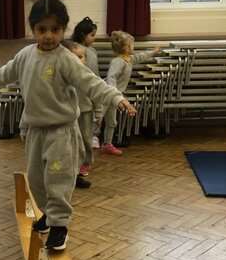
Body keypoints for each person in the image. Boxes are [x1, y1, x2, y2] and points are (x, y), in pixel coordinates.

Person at [0, 0, 136, 251]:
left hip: (61, 132)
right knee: (37, 181)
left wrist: (117, 98)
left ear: (63, 30)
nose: (49, 35)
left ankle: (60, 225)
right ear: (33, 29)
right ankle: (49, 215)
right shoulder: (26, 55)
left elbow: (92, 83)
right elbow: (7, 72)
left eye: (55, 29)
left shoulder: (66, 59)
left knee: (58, 179)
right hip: (36, 130)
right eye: (42, 29)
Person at [101, 31, 161, 155]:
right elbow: (111, 77)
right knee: (97, 119)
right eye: (131, 44)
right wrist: (115, 94)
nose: (133, 46)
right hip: (106, 95)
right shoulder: (117, 62)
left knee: (112, 122)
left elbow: (141, 56)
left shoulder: (129, 60)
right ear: (126, 48)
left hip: (115, 97)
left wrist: (154, 51)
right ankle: (88, 142)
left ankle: (107, 144)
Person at [61, 39, 100, 189]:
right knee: (69, 144)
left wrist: (99, 111)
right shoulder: (63, 75)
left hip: (85, 113)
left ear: (86, 59)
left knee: (85, 141)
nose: (77, 60)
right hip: (67, 117)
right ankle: (70, 173)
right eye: (74, 57)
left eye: (80, 56)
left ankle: (83, 165)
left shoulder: (87, 76)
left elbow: (97, 93)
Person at [71, 17, 102, 148]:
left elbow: (94, 72)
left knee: (91, 114)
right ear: (83, 35)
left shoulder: (92, 51)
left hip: (90, 87)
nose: (94, 38)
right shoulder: (73, 48)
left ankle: (93, 135)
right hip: (78, 92)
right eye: (92, 35)